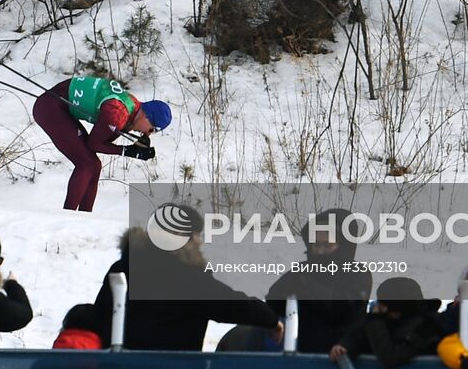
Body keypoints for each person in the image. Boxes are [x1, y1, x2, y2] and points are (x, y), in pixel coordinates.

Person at [89, 204, 281, 351]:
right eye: (196, 233)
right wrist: (271, 319)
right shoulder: (187, 277)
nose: (200, 239)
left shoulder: (122, 267)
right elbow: (230, 304)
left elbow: (98, 316)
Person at [33, 76, 170, 212]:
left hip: (60, 105)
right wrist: (128, 151)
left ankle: (85, 217)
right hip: (50, 107)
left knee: (94, 165)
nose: (148, 133)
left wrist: (131, 146)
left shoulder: (132, 106)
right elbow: (94, 144)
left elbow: (102, 140)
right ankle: (68, 217)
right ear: (147, 117)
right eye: (153, 129)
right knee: (86, 164)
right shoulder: (117, 113)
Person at [266, 208, 371, 354]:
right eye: (316, 245)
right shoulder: (301, 270)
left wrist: (309, 287)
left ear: (343, 245)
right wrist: (286, 292)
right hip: (302, 349)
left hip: (342, 352)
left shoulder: (357, 272)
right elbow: (273, 300)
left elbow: (345, 308)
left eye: (327, 245)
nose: (320, 251)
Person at [330, 277, 444, 368]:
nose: (380, 309)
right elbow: (357, 335)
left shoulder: (426, 326)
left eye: (384, 306)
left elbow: (390, 358)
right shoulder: (380, 317)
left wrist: (376, 321)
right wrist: (344, 346)